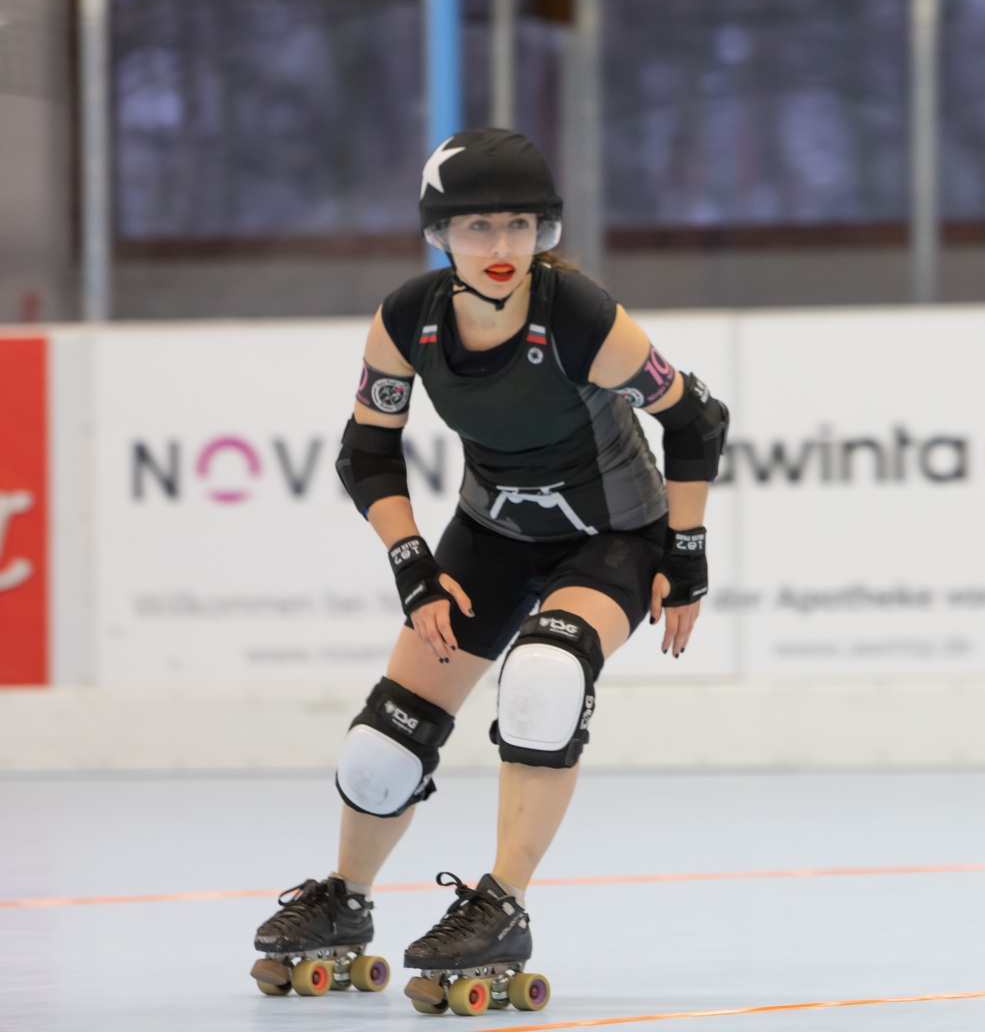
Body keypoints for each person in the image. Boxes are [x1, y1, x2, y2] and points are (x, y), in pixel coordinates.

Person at [248, 128, 729, 1016]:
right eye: (478, 227)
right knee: (385, 740)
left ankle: (500, 905)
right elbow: (367, 451)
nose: (503, 246)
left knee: (544, 678)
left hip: (613, 537)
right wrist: (413, 564)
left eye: (520, 224)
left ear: (544, 229)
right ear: (441, 234)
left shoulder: (577, 314)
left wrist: (687, 554)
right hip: (492, 535)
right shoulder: (409, 319)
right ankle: (345, 900)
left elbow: (696, 418)